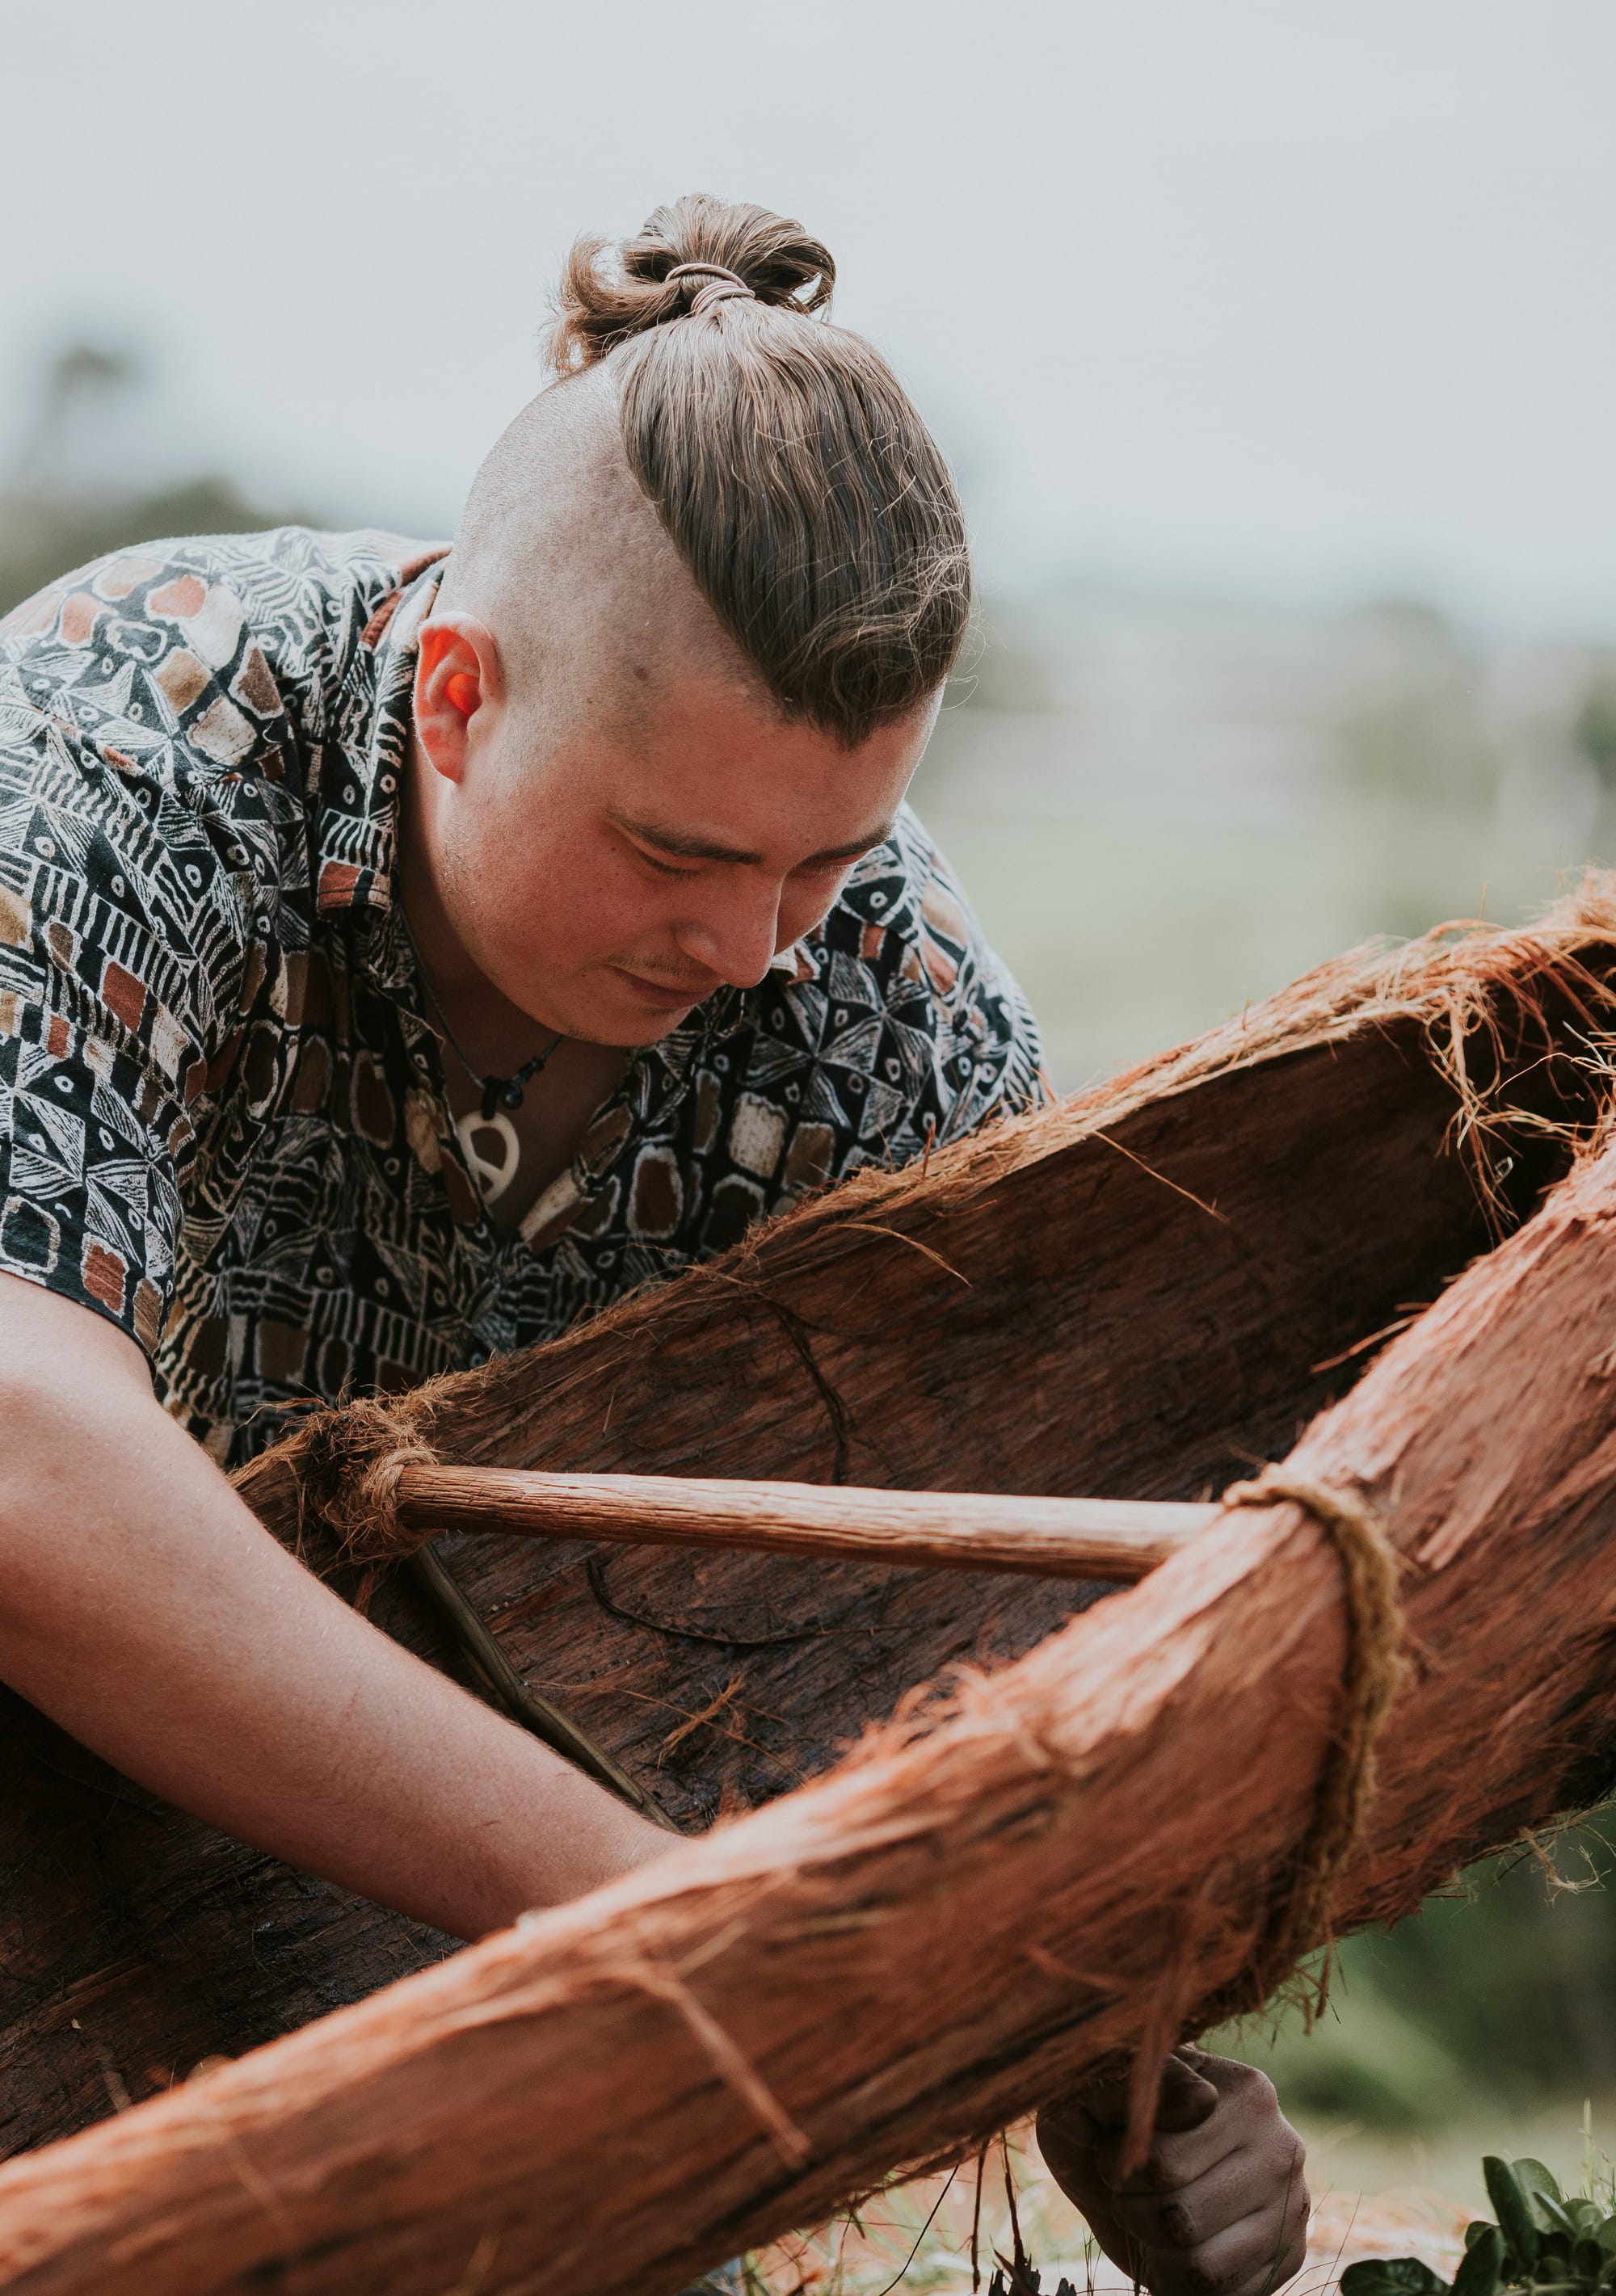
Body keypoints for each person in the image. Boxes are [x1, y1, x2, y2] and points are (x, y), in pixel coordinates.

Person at [0, 195, 1307, 2289]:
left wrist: (1096, 2052)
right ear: (455, 698)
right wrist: (683, 1934)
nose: (752, 943)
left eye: (828, 856)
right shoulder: (117, 741)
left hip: (532, 2108)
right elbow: (20, 1461)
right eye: (677, 851)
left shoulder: (898, 1009)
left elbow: (971, 1630)